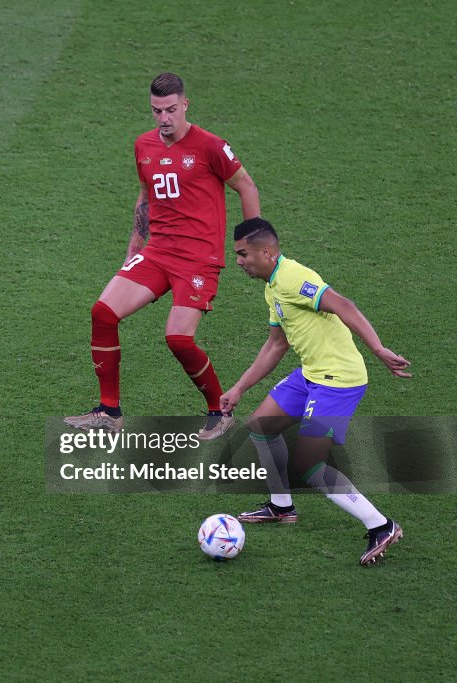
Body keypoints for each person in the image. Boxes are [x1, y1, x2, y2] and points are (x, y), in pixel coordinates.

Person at [66, 72, 261, 439]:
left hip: (198, 259)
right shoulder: (143, 146)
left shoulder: (211, 146)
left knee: (178, 340)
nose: (164, 118)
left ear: (185, 104)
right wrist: (133, 251)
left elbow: (245, 185)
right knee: (102, 313)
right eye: (157, 111)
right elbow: (145, 197)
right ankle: (109, 412)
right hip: (158, 253)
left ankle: (220, 410)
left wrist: (251, 243)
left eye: (171, 109)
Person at [220, 218, 411, 565]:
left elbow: (344, 305)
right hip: (311, 375)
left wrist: (379, 349)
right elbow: (276, 345)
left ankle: (381, 525)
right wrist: (239, 388)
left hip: (338, 379)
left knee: (309, 463)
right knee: (262, 427)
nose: (238, 261)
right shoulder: (272, 286)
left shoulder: (294, 277)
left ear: (266, 251)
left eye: (243, 254)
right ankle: (281, 507)